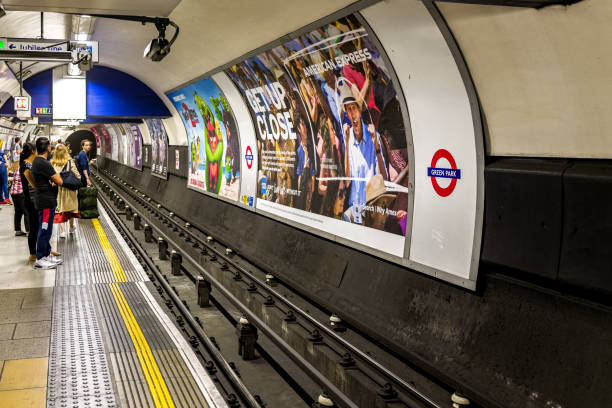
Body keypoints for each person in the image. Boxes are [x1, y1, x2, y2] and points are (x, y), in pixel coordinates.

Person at [340, 82, 386, 224]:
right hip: (355, 206)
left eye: (354, 108)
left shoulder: (373, 135)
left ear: (360, 111)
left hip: (371, 206)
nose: (352, 113)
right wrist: (347, 144)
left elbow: (383, 177)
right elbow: (347, 181)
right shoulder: (348, 138)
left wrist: (376, 145)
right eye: (349, 110)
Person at [31, 137, 63, 269]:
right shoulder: (44, 163)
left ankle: (46, 253)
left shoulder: (37, 161)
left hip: (44, 200)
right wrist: (55, 180)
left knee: (47, 229)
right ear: (48, 148)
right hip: (45, 202)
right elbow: (60, 181)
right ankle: (40, 258)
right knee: (45, 229)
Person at [50, 144, 81, 238]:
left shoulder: (53, 163)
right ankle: (71, 227)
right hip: (70, 189)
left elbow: (51, 178)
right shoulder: (70, 162)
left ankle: (63, 231)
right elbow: (78, 176)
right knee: (71, 209)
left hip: (59, 190)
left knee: (60, 209)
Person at [20, 142, 40, 262]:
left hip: (34, 199)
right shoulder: (25, 166)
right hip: (31, 200)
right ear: (33, 151)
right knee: (33, 227)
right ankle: (33, 253)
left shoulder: (30, 164)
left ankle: (39, 249)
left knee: (37, 226)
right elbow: (33, 183)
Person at [9, 165, 29, 236]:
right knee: (26, 211)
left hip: (13, 193)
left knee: (18, 211)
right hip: (20, 192)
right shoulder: (27, 169)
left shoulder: (18, 168)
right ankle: (28, 231)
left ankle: (17, 230)